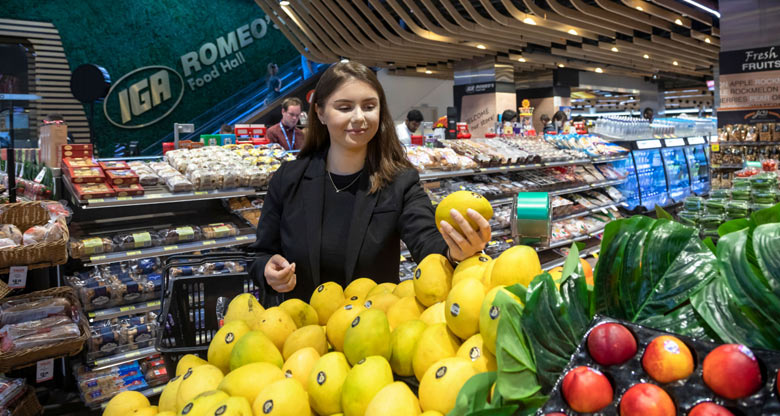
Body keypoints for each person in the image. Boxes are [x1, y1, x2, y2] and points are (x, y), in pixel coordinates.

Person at [250, 62, 491, 301]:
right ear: (320, 113)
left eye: (369, 106)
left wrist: (456, 252)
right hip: (300, 331)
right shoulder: (289, 178)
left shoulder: (399, 181)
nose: (359, 118)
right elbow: (261, 254)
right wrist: (267, 270)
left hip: (373, 329)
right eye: (344, 107)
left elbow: (427, 240)